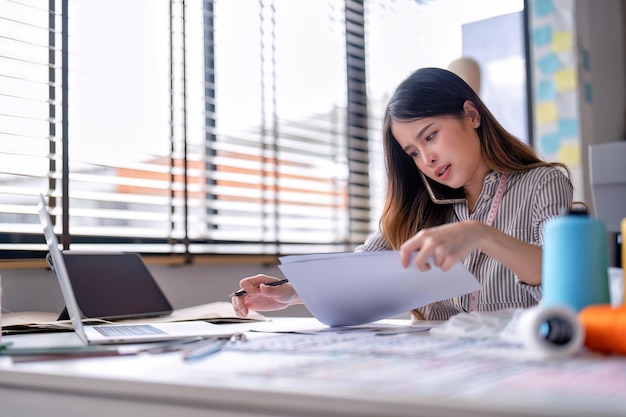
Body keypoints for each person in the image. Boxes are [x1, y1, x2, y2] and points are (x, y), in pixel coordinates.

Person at [231, 67, 573, 321]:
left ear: (471, 115)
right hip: (439, 360)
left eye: (430, 136)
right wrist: (289, 292)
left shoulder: (543, 183)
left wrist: (479, 234)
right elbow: (358, 270)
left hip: (520, 354)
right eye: (412, 152)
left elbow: (562, 274)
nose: (426, 159)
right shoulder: (421, 204)